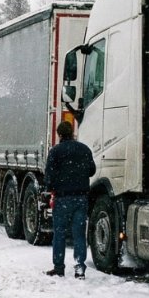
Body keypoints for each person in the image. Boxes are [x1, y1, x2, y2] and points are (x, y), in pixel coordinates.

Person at [44, 120, 96, 279]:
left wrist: (52, 187)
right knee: (79, 234)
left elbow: (49, 176)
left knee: (59, 233)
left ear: (59, 134)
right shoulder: (84, 149)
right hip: (81, 198)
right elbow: (92, 170)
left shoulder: (55, 152)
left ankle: (59, 267)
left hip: (62, 199)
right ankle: (80, 267)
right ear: (72, 132)